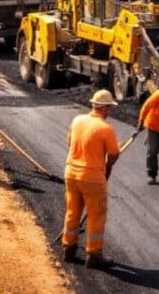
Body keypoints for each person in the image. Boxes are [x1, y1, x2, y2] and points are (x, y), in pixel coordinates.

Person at [62, 89, 121, 269]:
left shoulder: (77, 120)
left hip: (71, 173)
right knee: (96, 215)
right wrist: (108, 164)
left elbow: (70, 142)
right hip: (92, 179)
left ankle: (68, 248)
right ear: (104, 108)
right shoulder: (106, 129)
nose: (110, 111)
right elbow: (113, 154)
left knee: (73, 210)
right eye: (109, 107)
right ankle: (94, 255)